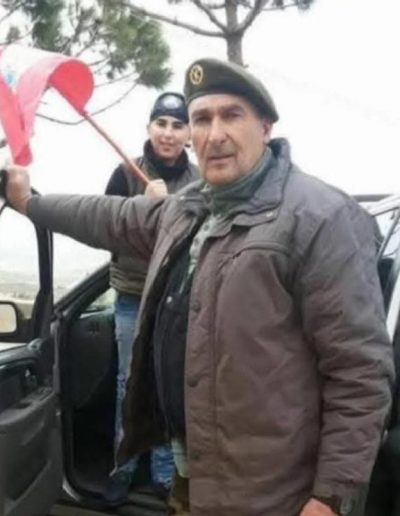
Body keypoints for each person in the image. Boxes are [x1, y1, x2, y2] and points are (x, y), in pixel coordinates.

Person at [4, 58, 394, 516]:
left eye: (232, 115)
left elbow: (359, 374)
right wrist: (30, 203)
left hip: (272, 496)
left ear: (265, 126)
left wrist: (329, 498)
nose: (215, 134)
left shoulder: (321, 219)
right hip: (193, 477)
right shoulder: (189, 208)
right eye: (202, 119)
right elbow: (110, 216)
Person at [104, 92, 198, 505]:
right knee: (128, 386)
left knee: (167, 387)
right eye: (161, 123)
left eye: (178, 125)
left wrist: (172, 208)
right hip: (131, 298)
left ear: (189, 134)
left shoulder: (201, 181)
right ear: (149, 128)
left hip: (176, 302)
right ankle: (122, 468)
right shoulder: (125, 173)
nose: (168, 133)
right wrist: (145, 206)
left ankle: (163, 475)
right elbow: (107, 230)